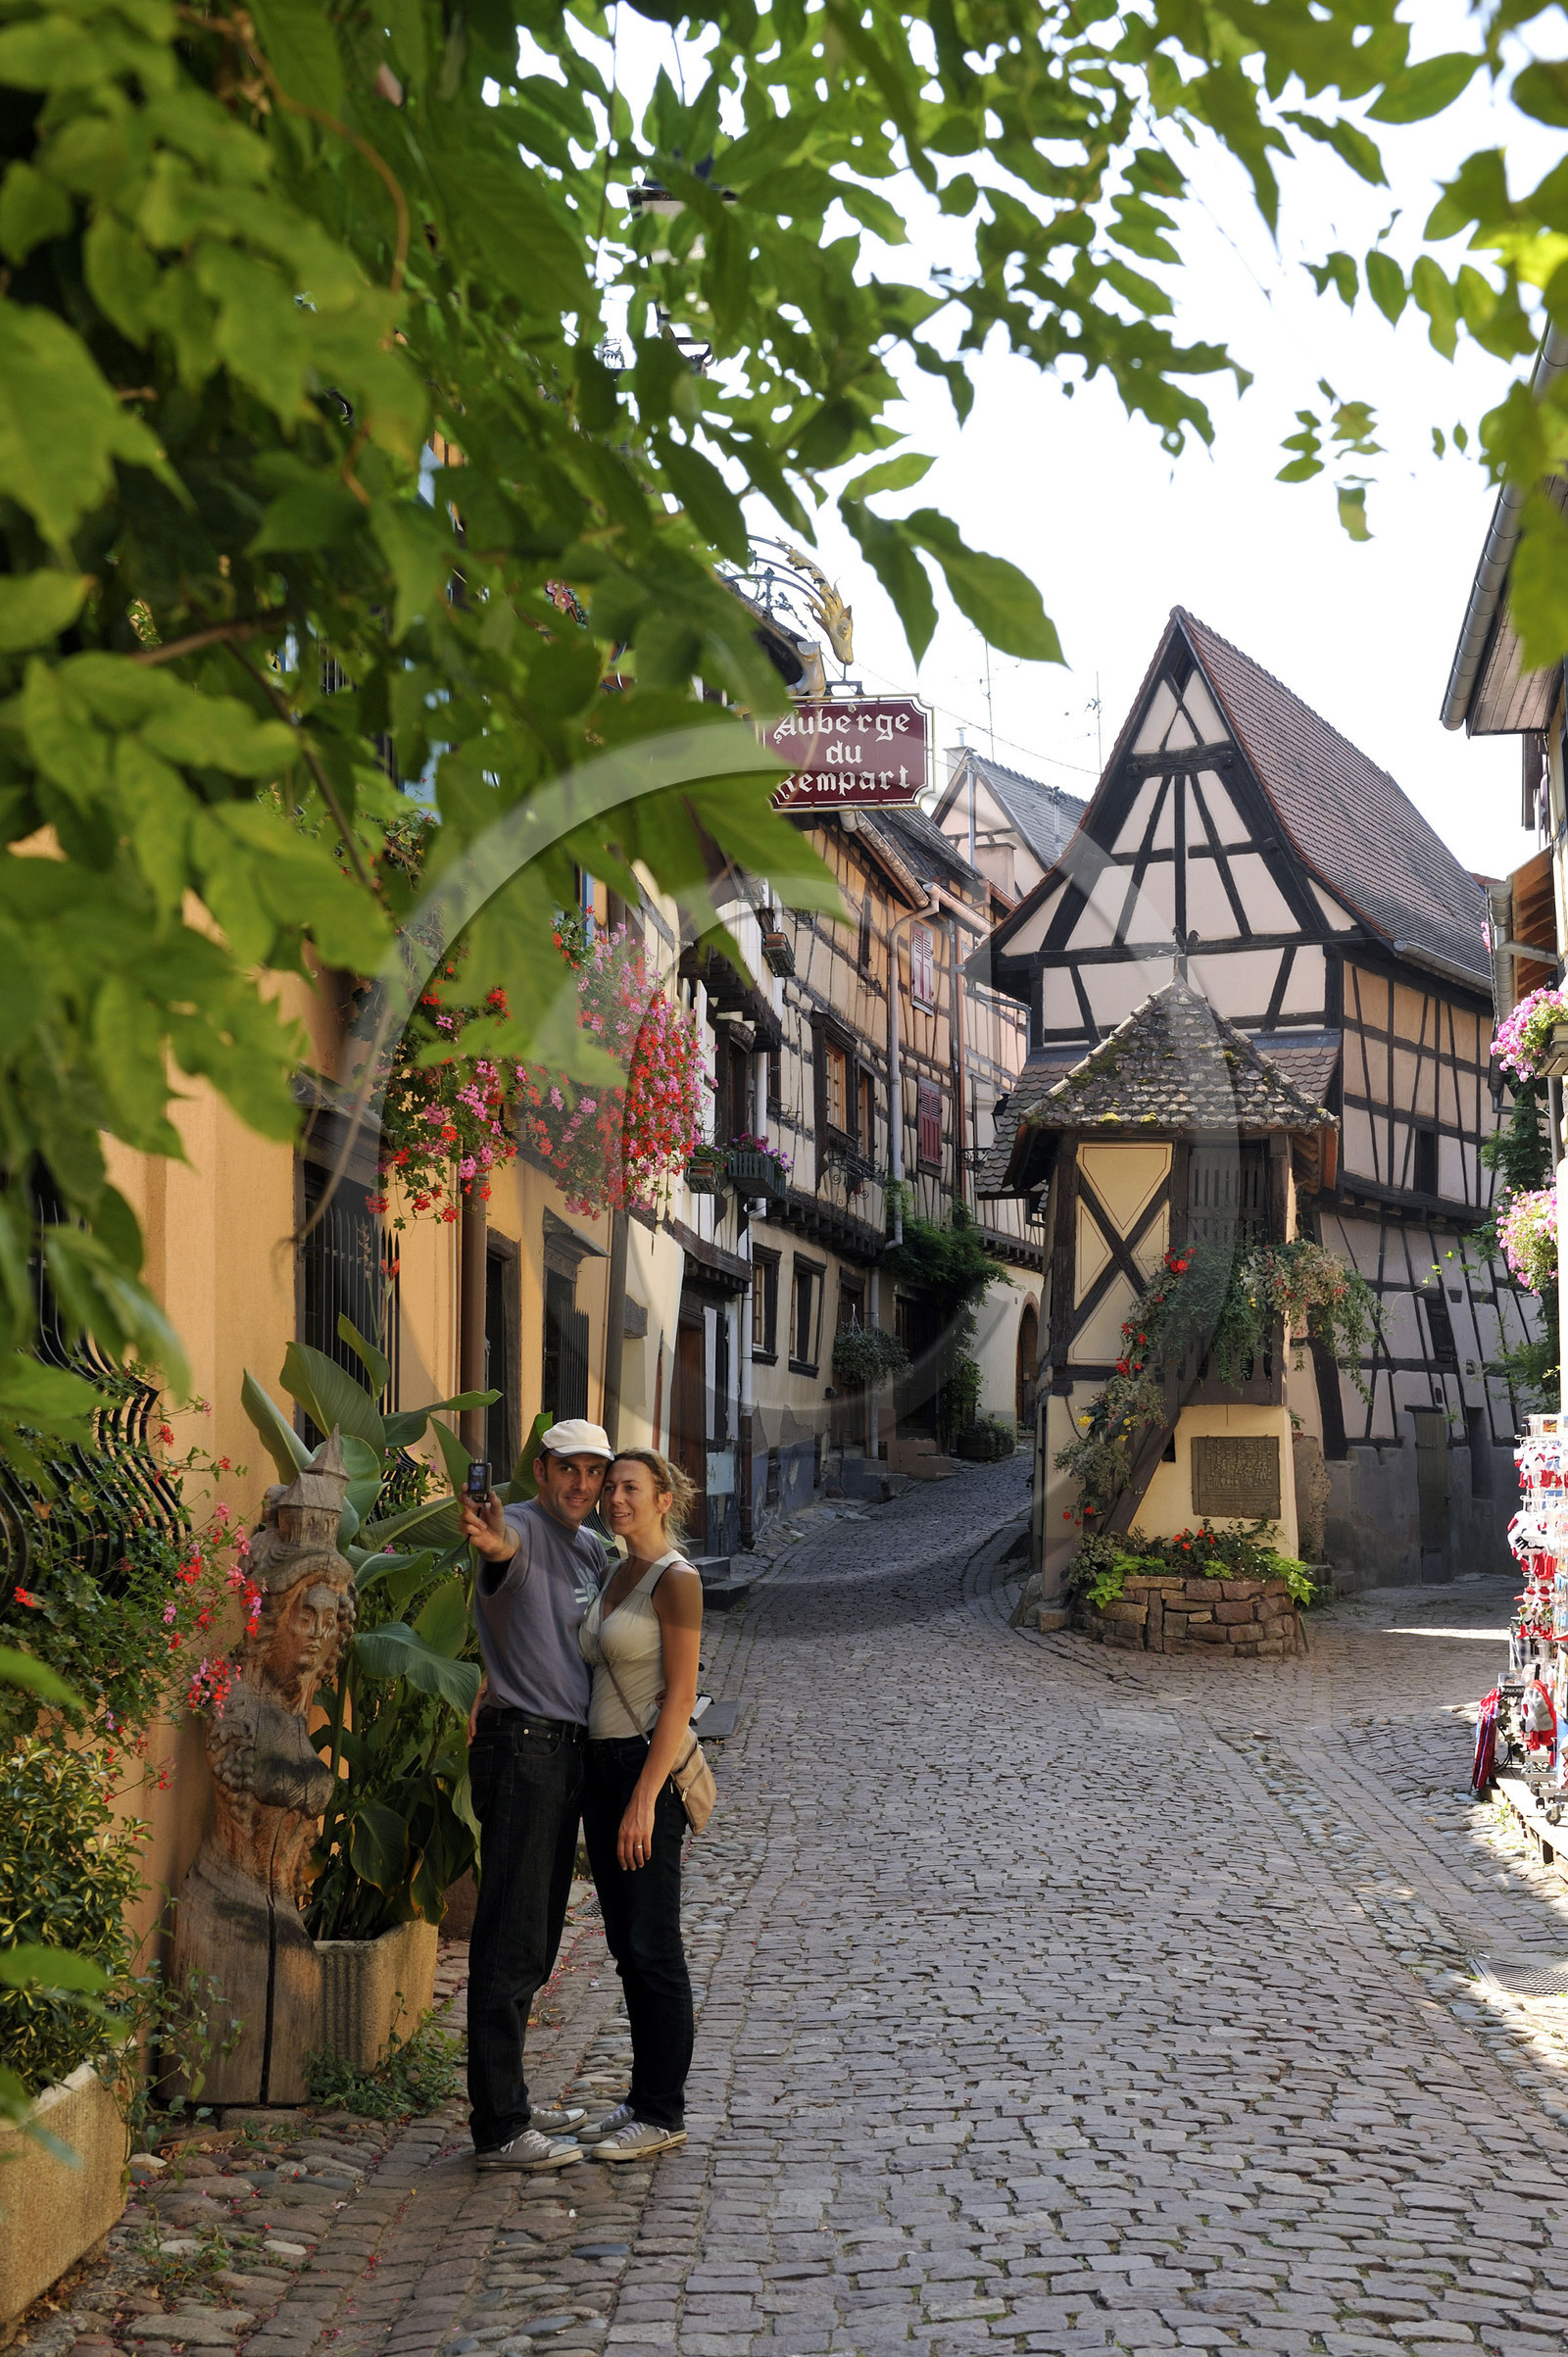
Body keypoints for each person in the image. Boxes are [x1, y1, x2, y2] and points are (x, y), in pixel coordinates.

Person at [457, 1417, 614, 2171]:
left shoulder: (589, 1546)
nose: (581, 1484)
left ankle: (511, 2093)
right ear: (542, 1468)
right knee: (509, 1935)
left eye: (594, 1472)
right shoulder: (514, 1524)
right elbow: (501, 1557)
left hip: (564, 1753)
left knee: (541, 1934)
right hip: (523, 1748)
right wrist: (492, 1545)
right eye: (569, 1469)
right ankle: (498, 2125)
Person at [574, 1449, 704, 2161]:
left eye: (630, 1487)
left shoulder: (676, 1580)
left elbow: (680, 1698)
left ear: (663, 1497)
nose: (614, 1497)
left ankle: (663, 2109)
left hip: (641, 1771)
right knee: (626, 1946)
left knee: (655, 1946)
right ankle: (641, 2091)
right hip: (602, 1767)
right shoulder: (612, 1568)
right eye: (611, 1486)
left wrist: (644, 1800)